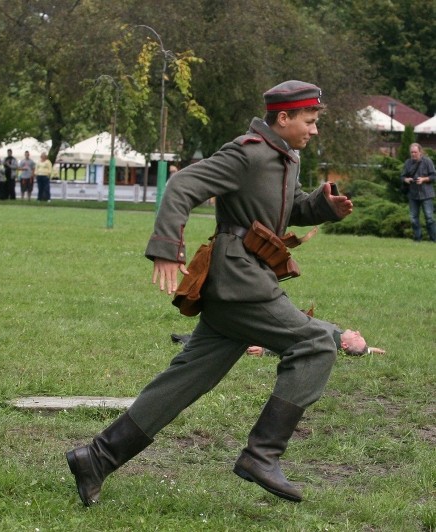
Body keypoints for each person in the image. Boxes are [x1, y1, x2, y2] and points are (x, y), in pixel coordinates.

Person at [65, 81, 354, 506]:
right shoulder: (246, 152)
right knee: (314, 345)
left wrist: (323, 207)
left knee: (185, 380)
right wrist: (166, 249)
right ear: (283, 118)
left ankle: (98, 457)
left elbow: (286, 208)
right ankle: (262, 455)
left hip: (246, 280)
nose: (314, 131)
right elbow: (182, 188)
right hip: (240, 282)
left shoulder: (285, 157)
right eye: (309, 122)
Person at [171, 327, 385, 357]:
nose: (356, 331)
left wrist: (265, 350)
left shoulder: (327, 341)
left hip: (273, 334)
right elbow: (358, 349)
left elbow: (295, 347)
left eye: (357, 336)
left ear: (345, 346)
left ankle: (189, 341)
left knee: (232, 335)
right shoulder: (338, 336)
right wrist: (368, 350)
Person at [400, 143, 436, 242]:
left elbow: (434, 176)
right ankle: (417, 239)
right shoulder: (407, 163)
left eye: (415, 152)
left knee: (429, 218)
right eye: (412, 152)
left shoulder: (427, 161)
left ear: (420, 152)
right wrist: (406, 180)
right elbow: (402, 177)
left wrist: (424, 179)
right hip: (413, 195)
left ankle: (434, 240)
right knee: (413, 219)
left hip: (426, 194)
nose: (413, 154)